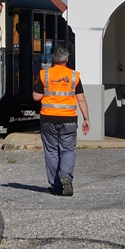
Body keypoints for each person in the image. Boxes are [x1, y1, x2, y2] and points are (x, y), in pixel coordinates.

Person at [33, 46, 90, 196]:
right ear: (67, 59)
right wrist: (86, 119)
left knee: (51, 151)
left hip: (48, 118)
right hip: (69, 119)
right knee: (68, 149)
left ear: (53, 59)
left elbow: (36, 97)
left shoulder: (45, 75)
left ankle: (56, 187)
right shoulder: (74, 76)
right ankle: (66, 175)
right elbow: (81, 99)